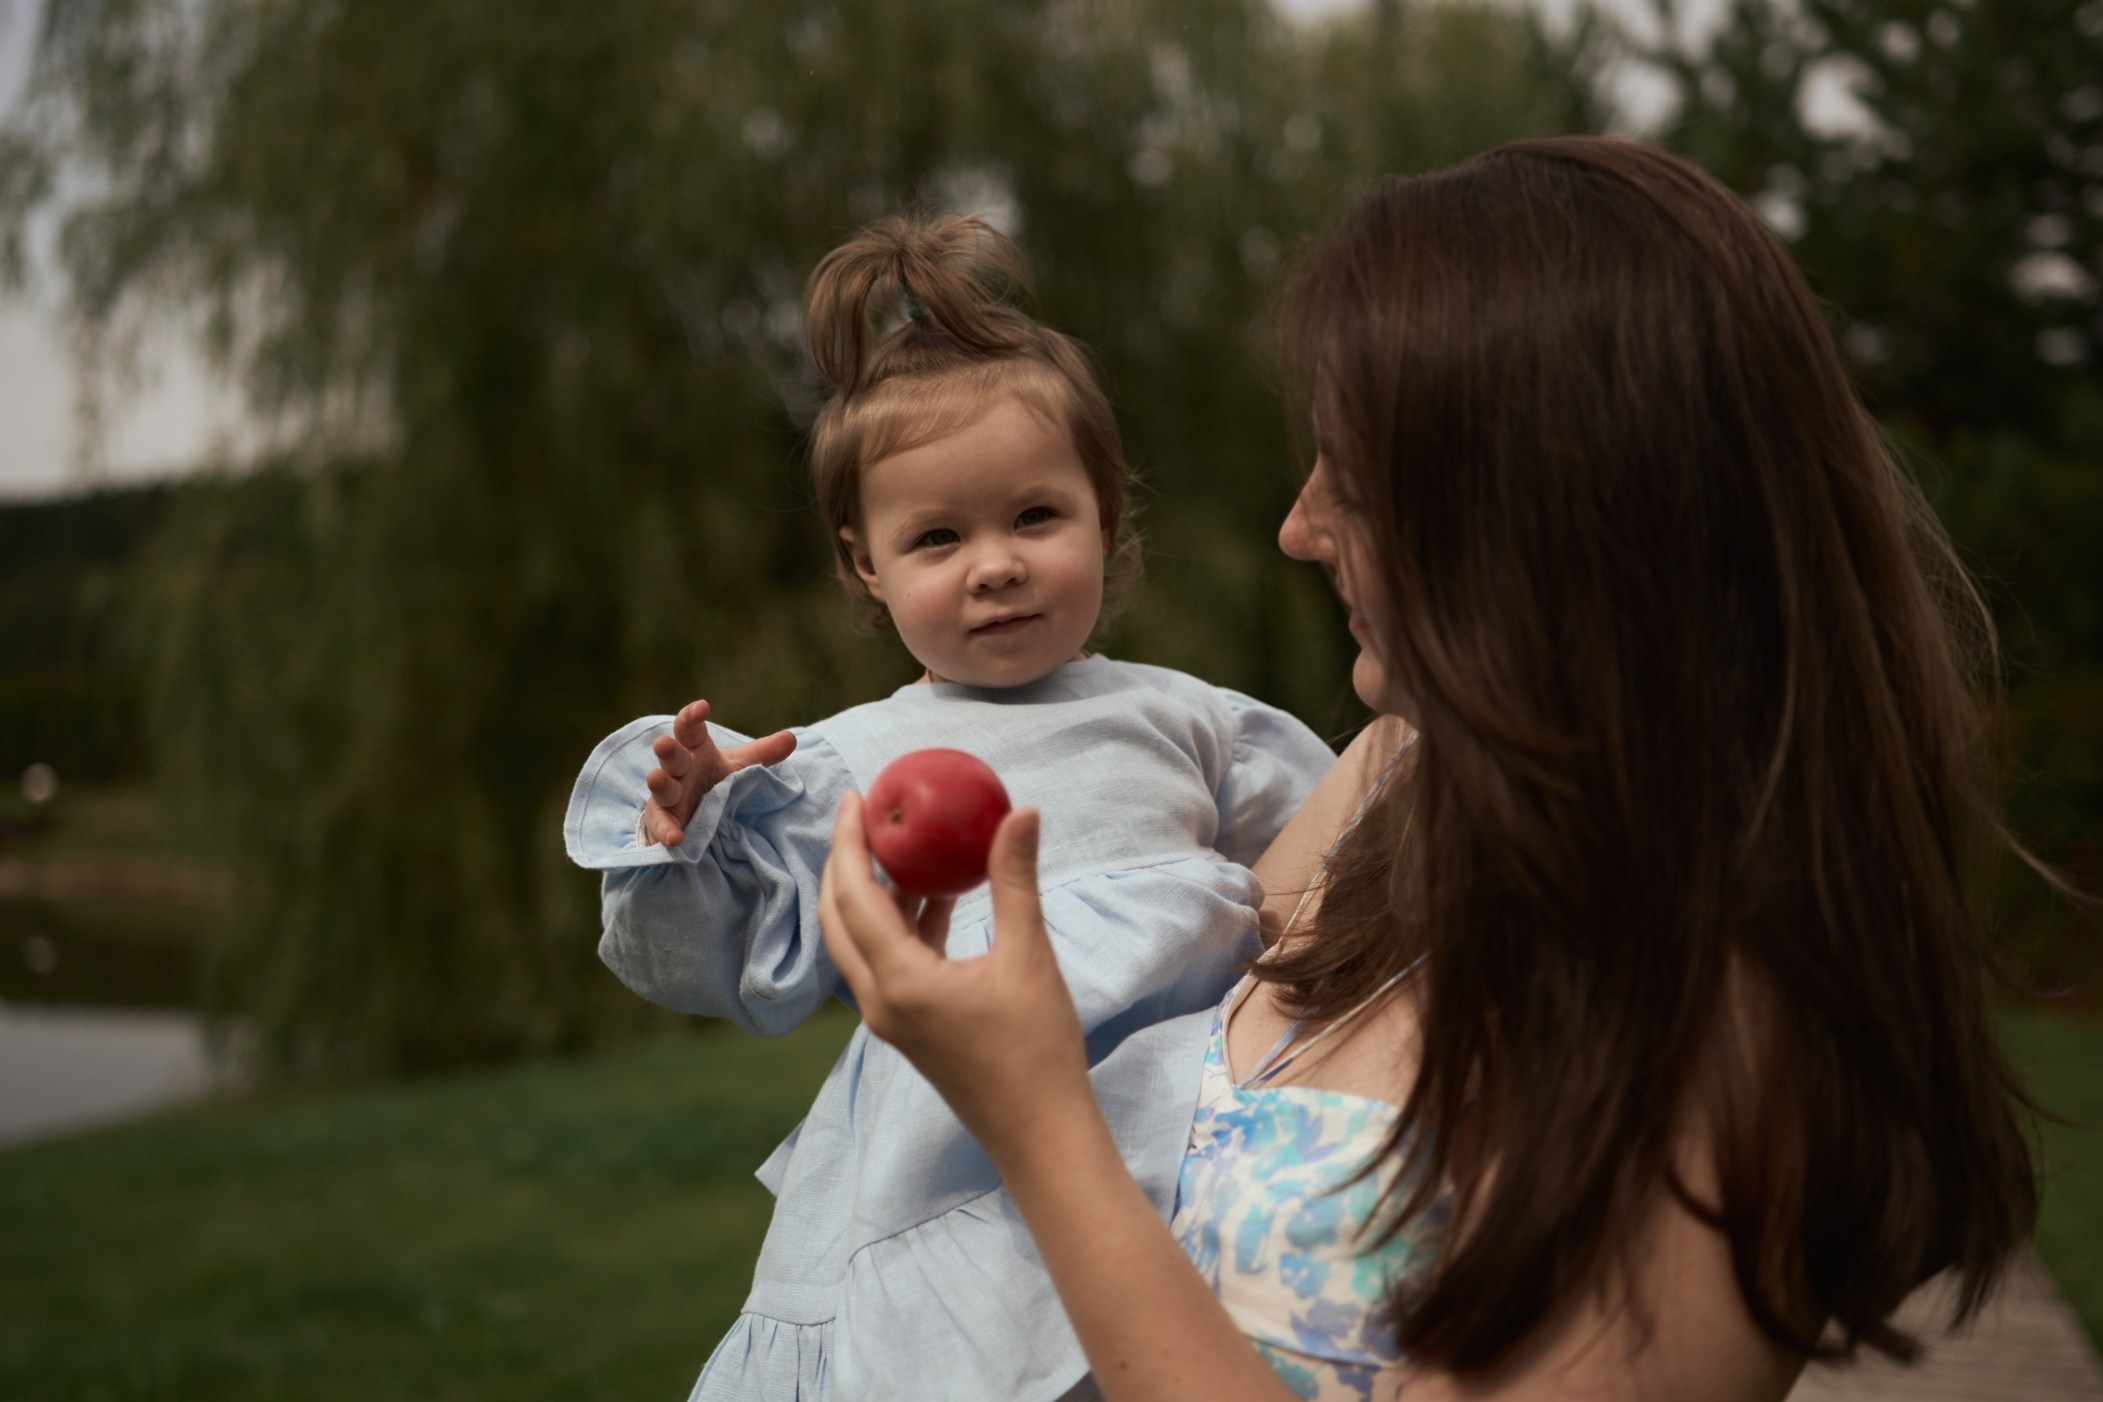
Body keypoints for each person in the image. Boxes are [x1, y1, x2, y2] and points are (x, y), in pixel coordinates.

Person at [816, 136, 2043, 1400]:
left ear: (1530, 513)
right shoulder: (1400, 780)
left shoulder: (1728, 1045)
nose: (1298, 527)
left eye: (1354, 477)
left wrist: (1034, 1120)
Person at [560, 214, 1338, 1401]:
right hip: (944, 1167)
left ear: (1105, 512)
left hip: (1174, 1148)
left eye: (1035, 516)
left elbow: (1339, 871)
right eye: (937, 536)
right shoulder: (840, 764)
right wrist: (696, 833)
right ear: (865, 563)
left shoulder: (1195, 721)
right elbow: (732, 965)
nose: (995, 564)